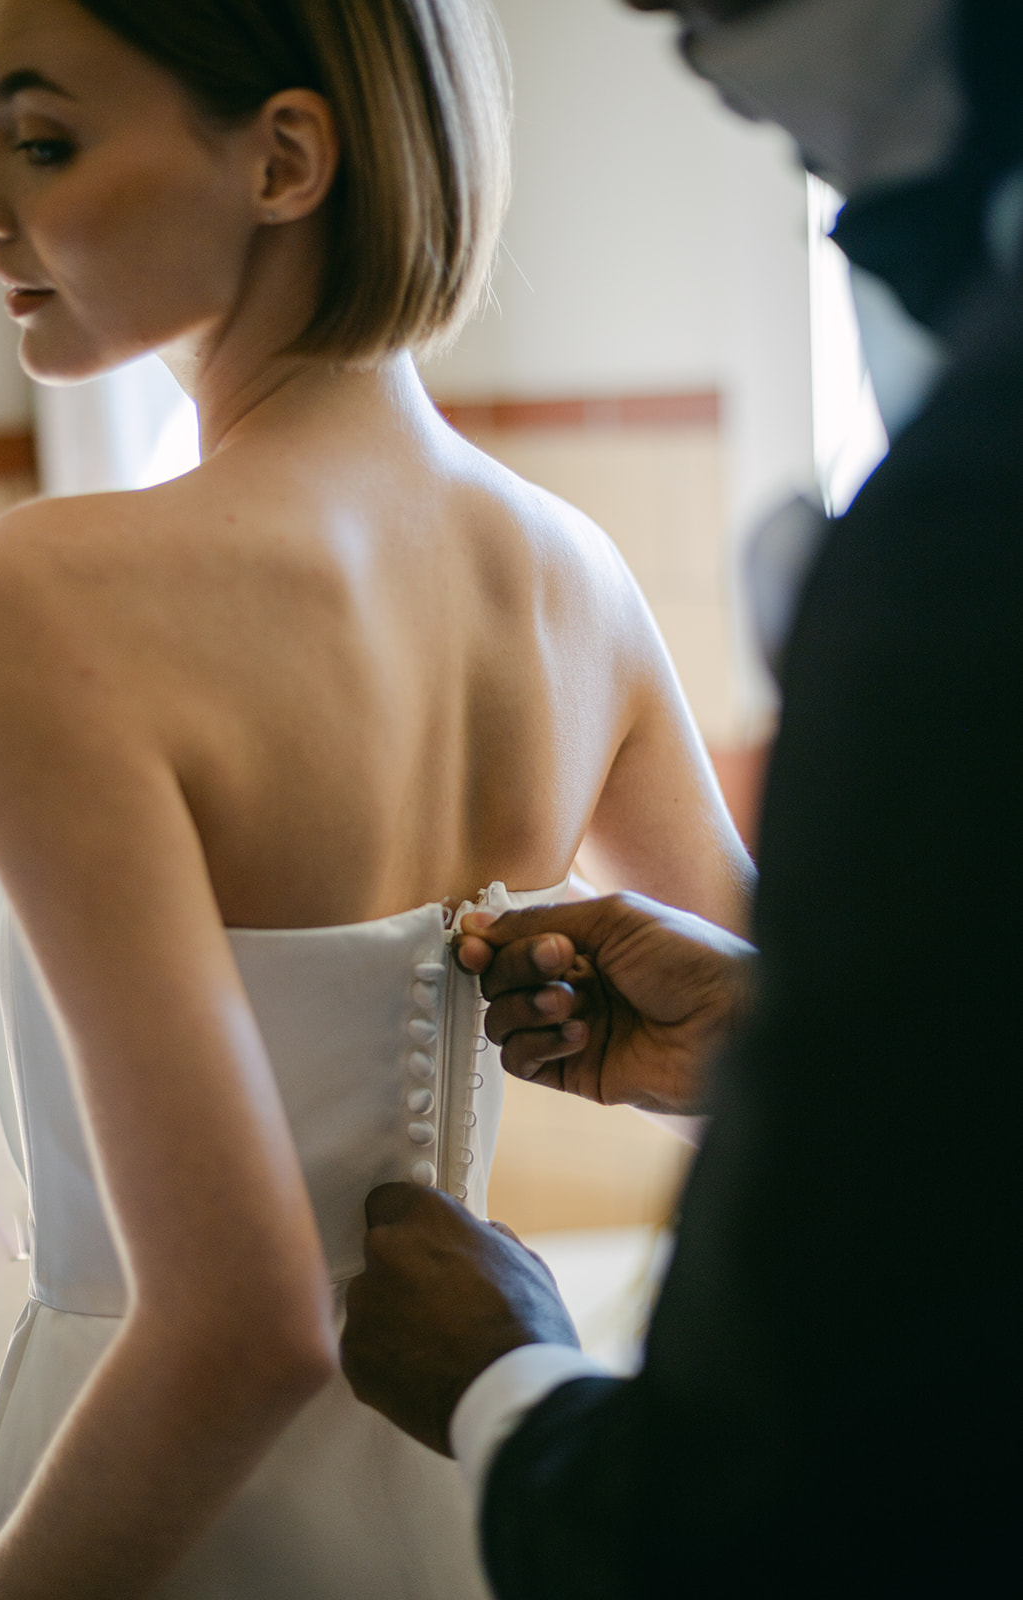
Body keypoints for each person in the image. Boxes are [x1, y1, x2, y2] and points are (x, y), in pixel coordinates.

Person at [0, 0, 754, 1595]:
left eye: (42, 138)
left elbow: (237, 1327)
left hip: (159, 1502)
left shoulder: (43, 597)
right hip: (468, 1464)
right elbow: (820, 1072)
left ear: (287, 158)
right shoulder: (572, 575)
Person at [340, 0, 1023, 1592]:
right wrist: (773, 1027)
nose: (694, 60)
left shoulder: (964, 538)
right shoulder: (575, 559)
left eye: (724, 2)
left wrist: (510, 1381)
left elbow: (793, 1514)